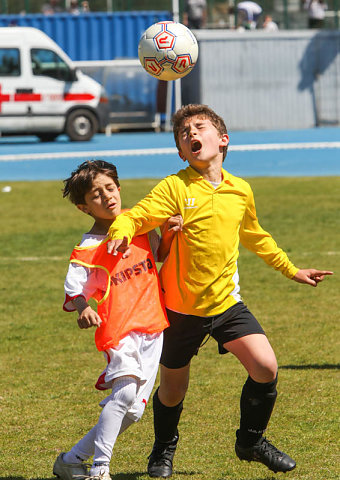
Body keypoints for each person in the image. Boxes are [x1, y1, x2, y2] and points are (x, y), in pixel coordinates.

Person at [106, 104, 333, 478]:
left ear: (222, 139)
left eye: (200, 127)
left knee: (266, 367)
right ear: (181, 152)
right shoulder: (175, 187)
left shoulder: (240, 191)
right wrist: (121, 231)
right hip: (179, 311)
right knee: (173, 391)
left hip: (226, 305)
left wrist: (291, 270)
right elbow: (137, 215)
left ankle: (251, 441)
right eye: (184, 133)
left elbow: (256, 236)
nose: (191, 134)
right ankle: (163, 450)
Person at [52, 160, 182, 480]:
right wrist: (83, 308)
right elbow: (74, 289)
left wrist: (168, 232)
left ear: (119, 188)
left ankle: (72, 459)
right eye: (96, 194)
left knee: (134, 411)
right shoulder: (87, 248)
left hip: (153, 325)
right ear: (84, 207)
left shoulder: (137, 225)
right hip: (118, 327)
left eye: (110, 188)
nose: (107, 196)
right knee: (124, 395)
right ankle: (100, 470)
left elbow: (157, 255)